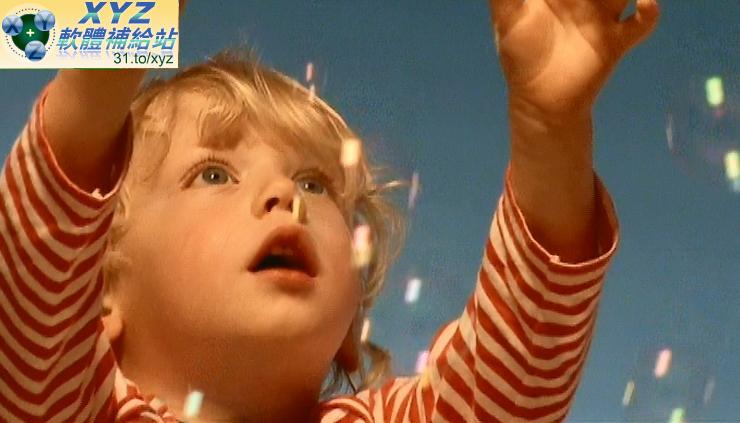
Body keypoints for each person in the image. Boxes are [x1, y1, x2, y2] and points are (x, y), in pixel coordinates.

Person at [0, 0, 659, 421]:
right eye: (214, 174)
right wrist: (123, 21)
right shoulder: (76, 403)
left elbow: (514, 371)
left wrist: (551, 130)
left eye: (315, 185)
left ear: (350, 325)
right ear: (98, 294)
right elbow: (38, 252)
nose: (284, 196)